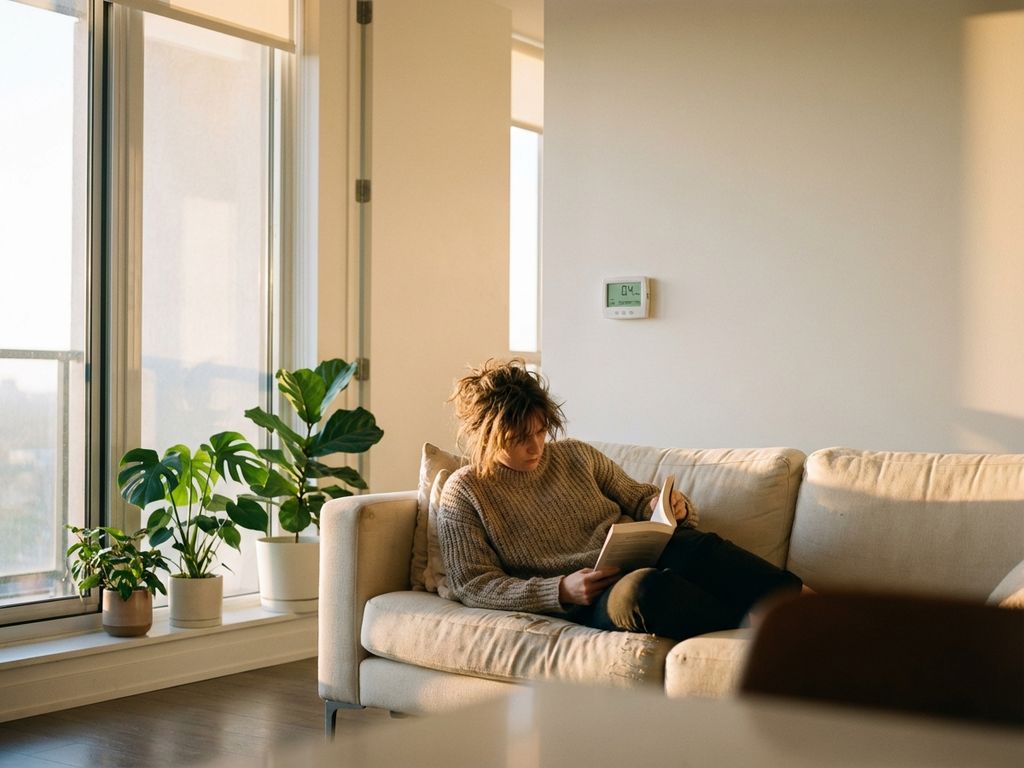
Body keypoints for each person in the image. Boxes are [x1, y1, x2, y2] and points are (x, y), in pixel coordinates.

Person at [436, 358, 806, 641]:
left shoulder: (576, 455)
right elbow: (473, 584)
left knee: (691, 545)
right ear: (486, 435)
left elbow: (639, 497)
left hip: (637, 555)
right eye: (519, 438)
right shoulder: (466, 491)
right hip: (585, 598)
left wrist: (664, 507)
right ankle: (761, 624)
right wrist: (560, 589)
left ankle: (811, 606)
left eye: (540, 431)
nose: (536, 447)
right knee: (646, 592)